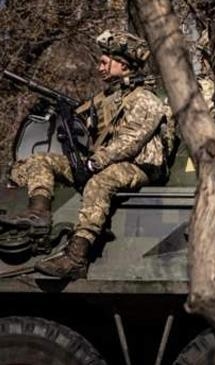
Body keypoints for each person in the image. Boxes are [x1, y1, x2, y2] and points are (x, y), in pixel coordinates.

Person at [0, 30, 171, 279]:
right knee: (40, 161)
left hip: (140, 165)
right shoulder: (108, 98)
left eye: (104, 62)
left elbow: (131, 142)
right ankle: (38, 213)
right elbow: (82, 126)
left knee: (101, 182)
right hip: (104, 160)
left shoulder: (145, 99)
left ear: (123, 65)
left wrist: (95, 163)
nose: (99, 67)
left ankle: (77, 256)